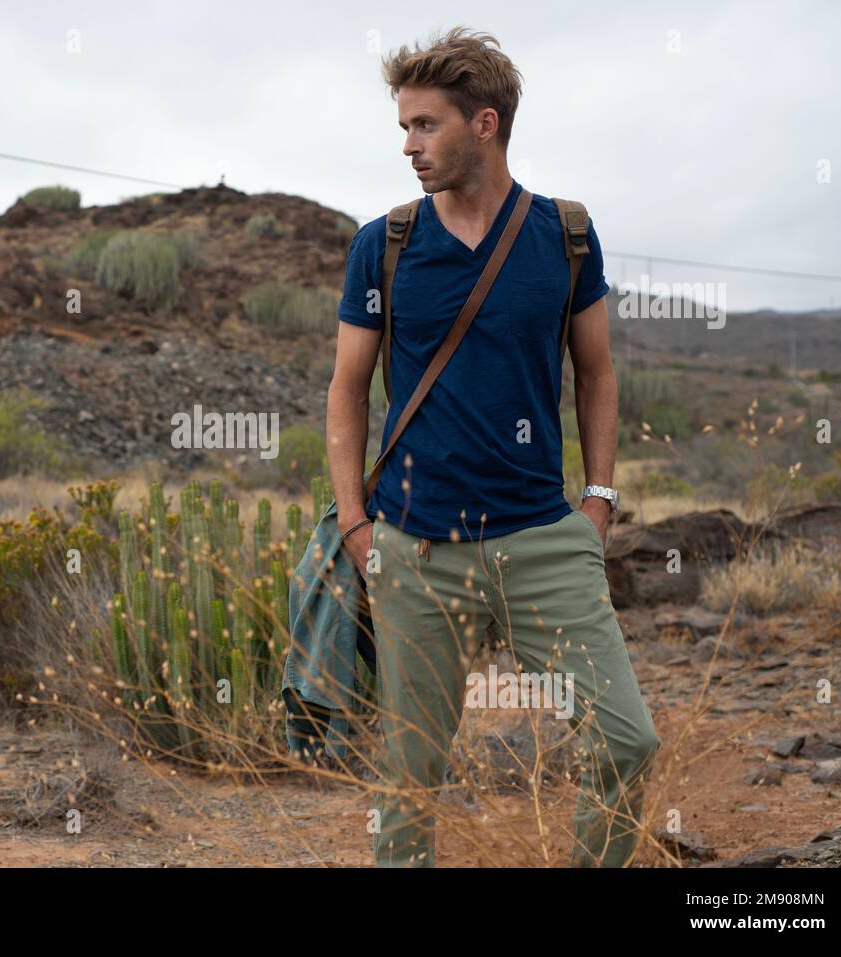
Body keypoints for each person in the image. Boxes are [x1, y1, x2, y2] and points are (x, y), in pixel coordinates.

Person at [327, 26, 660, 867]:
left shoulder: (565, 236)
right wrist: (355, 524)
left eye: (425, 125)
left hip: (543, 540)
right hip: (418, 542)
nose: (408, 146)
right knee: (409, 778)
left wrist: (599, 499)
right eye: (403, 127)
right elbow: (346, 389)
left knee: (626, 739)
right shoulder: (387, 243)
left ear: (485, 124)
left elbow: (597, 374)